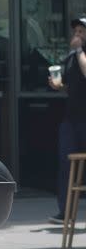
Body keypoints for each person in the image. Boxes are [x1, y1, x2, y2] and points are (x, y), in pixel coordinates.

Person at [48, 18, 86, 224]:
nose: (77, 34)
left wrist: (80, 51)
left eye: (82, 31)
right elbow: (71, 85)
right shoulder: (72, 56)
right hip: (71, 119)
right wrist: (58, 86)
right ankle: (64, 211)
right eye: (76, 31)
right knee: (66, 164)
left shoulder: (80, 54)